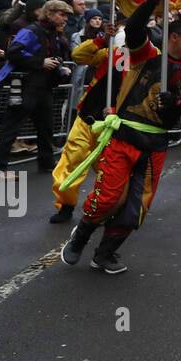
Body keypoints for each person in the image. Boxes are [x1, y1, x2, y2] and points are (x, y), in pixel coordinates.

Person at [61, 0, 181, 274]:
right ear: (174, 37)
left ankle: (105, 254)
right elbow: (136, 27)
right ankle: (81, 236)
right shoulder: (145, 56)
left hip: (155, 148)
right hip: (123, 139)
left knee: (135, 209)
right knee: (106, 199)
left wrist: (177, 102)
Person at [49, 19, 121, 223]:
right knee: (71, 162)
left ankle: (109, 206)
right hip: (86, 118)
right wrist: (102, 39)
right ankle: (66, 204)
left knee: (109, 169)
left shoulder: (148, 62)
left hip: (111, 124)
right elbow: (78, 55)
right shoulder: (109, 54)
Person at [0, 0, 73, 175]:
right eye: (61, 14)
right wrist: (40, 62)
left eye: (66, 15)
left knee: (46, 127)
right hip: (26, 85)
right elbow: (13, 53)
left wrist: (59, 67)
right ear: (49, 13)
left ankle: (47, 163)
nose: (65, 19)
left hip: (44, 86)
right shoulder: (31, 30)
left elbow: (51, 55)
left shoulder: (53, 33)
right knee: (11, 128)